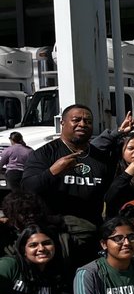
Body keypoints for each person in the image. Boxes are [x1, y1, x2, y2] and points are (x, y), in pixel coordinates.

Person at [21, 104, 113, 267]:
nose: (83, 124)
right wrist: (52, 172)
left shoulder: (102, 159)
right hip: (56, 236)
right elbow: (27, 188)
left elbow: (111, 195)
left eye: (88, 121)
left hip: (90, 235)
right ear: (62, 123)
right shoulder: (44, 154)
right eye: (76, 120)